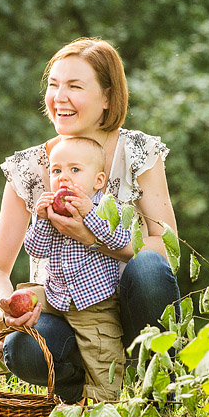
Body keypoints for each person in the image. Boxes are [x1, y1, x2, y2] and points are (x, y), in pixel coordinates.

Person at [0, 37, 180, 405]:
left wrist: (91, 236)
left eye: (75, 86)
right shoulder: (30, 166)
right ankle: (81, 393)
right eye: (53, 85)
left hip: (128, 308)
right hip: (66, 313)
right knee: (21, 348)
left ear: (107, 98)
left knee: (149, 266)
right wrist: (11, 306)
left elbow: (169, 247)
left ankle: (157, 392)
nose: (59, 97)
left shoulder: (137, 152)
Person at [23, 136, 131, 402]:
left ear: (98, 181)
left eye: (74, 170)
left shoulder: (106, 206)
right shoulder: (53, 211)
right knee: (22, 303)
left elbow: (121, 240)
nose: (64, 178)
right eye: (56, 170)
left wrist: (89, 213)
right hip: (57, 295)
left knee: (103, 356)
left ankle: (101, 404)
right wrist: (41, 219)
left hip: (93, 305)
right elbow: (35, 249)